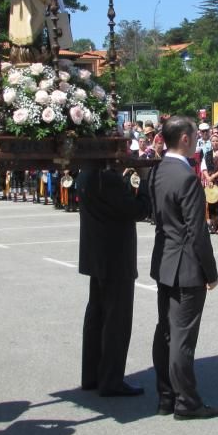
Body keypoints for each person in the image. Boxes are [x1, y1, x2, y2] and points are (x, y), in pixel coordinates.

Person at [147, 116, 218, 420]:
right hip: (186, 266)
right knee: (181, 337)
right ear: (187, 140)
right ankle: (186, 401)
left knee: (165, 332)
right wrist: (212, 272)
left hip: (165, 261)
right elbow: (197, 231)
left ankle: (166, 396)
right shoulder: (186, 177)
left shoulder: (157, 171)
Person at [77, 164, 151, 397]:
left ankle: (91, 375)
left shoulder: (87, 173)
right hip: (115, 258)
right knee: (116, 320)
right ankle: (110, 380)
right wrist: (145, 180)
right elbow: (139, 209)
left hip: (97, 256)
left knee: (96, 315)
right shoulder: (107, 178)